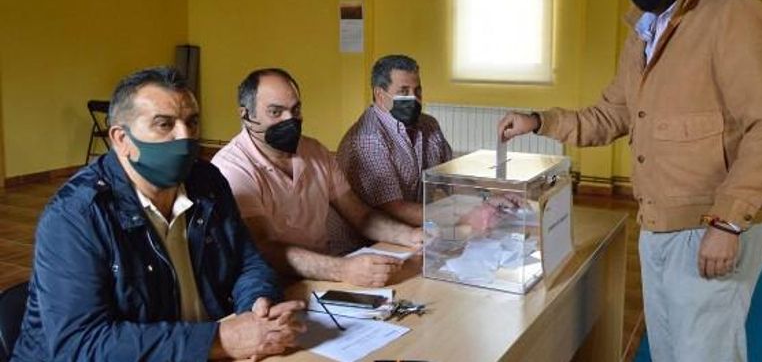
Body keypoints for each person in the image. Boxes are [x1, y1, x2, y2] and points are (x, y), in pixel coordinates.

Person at [498, 0, 762, 362]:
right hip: (655, 224)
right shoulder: (642, 34)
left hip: (710, 225)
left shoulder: (733, 15)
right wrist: (540, 121)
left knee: (705, 354)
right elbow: (611, 114)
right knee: (669, 351)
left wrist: (729, 220)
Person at [12, 67, 304, 361]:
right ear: (121, 140)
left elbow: (246, 261)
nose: (185, 137)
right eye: (165, 125)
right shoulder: (76, 216)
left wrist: (257, 304)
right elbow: (80, 344)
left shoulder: (207, 182)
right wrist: (220, 340)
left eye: (192, 123)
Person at [212, 68, 423, 288]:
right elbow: (264, 248)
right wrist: (344, 269)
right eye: (276, 112)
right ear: (245, 115)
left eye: (296, 109)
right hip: (272, 288)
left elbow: (361, 216)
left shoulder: (316, 152)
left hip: (324, 278)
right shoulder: (231, 168)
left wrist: (410, 236)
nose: (290, 119)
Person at [337, 54, 452, 231]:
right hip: (366, 243)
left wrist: (485, 200)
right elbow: (394, 208)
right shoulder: (368, 138)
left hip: (414, 231)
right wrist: (459, 214)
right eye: (403, 92)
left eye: (418, 91)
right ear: (379, 94)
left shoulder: (429, 125)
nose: (414, 99)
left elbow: (451, 177)